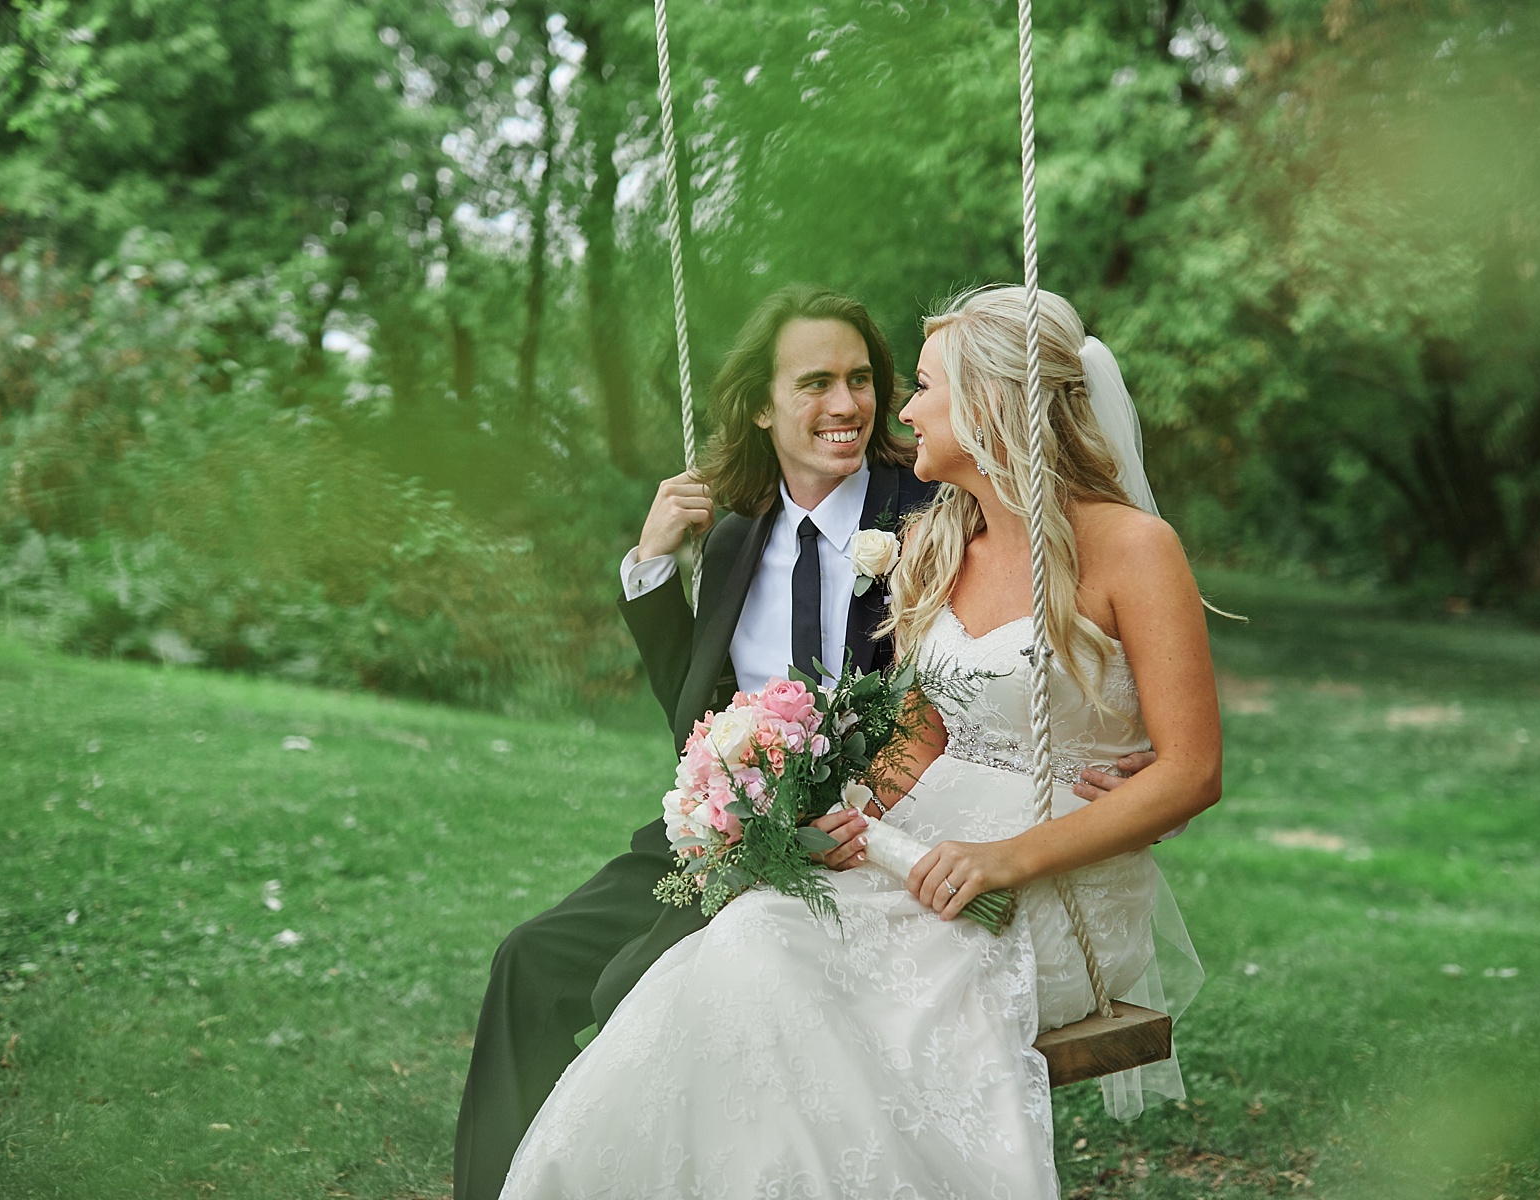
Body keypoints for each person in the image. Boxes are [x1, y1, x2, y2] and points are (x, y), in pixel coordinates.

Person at [495, 285, 1219, 1198]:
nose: (900, 410)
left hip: (1049, 887)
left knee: (795, 989)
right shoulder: (943, 538)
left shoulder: (1134, 548)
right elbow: (922, 725)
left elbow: (1193, 770)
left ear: (991, 401)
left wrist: (1003, 861)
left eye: (919, 387)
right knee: (749, 942)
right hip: (918, 850)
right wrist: (857, 815)